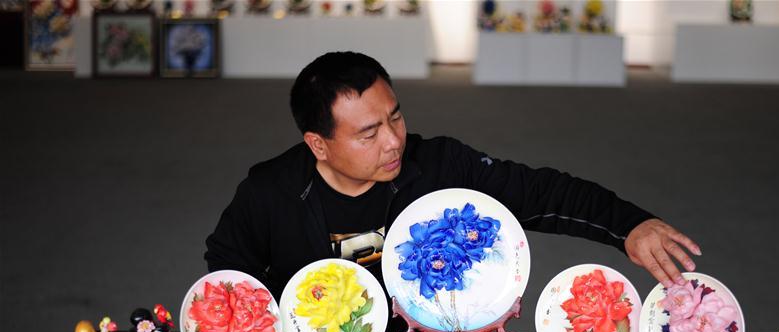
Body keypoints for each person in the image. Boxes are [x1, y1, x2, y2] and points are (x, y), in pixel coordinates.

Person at [205, 51, 701, 300]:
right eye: (368, 133)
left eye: (396, 116)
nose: (394, 141)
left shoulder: (440, 165)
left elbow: (540, 193)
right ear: (319, 144)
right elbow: (230, 268)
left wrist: (629, 227)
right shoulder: (268, 192)